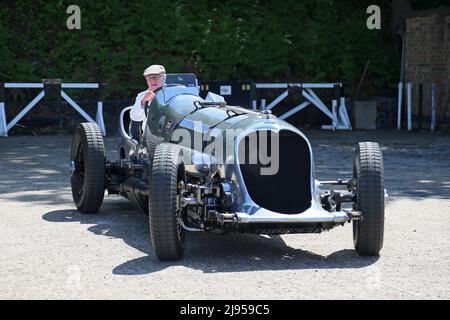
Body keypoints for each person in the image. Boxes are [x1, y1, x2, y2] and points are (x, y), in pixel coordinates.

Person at [129, 64, 166, 139]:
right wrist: (143, 101)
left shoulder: (174, 92)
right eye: (149, 78)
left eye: (156, 77)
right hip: (151, 137)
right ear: (146, 80)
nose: (152, 80)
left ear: (164, 77)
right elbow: (134, 117)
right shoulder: (142, 96)